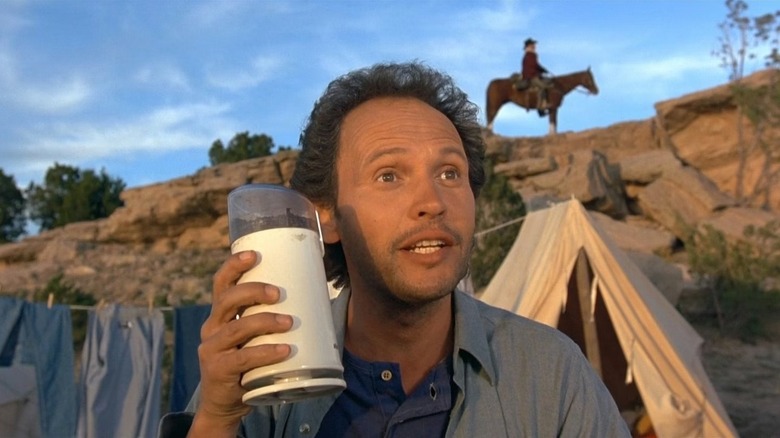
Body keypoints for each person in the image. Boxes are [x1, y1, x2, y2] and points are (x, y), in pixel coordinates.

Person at [158, 61, 630, 437]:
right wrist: (217, 419)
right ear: (325, 216)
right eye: (388, 176)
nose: (433, 202)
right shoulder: (261, 376)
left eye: (450, 173)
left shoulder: (551, 374)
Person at [521, 37, 552, 116]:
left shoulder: (531, 55)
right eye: (533, 45)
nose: (534, 46)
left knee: (548, 81)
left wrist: (542, 70)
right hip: (531, 77)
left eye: (534, 45)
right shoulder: (530, 55)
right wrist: (541, 70)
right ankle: (540, 108)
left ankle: (545, 103)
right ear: (529, 46)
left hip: (533, 75)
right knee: (543, 87)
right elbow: (534, 66)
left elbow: (535, 65)